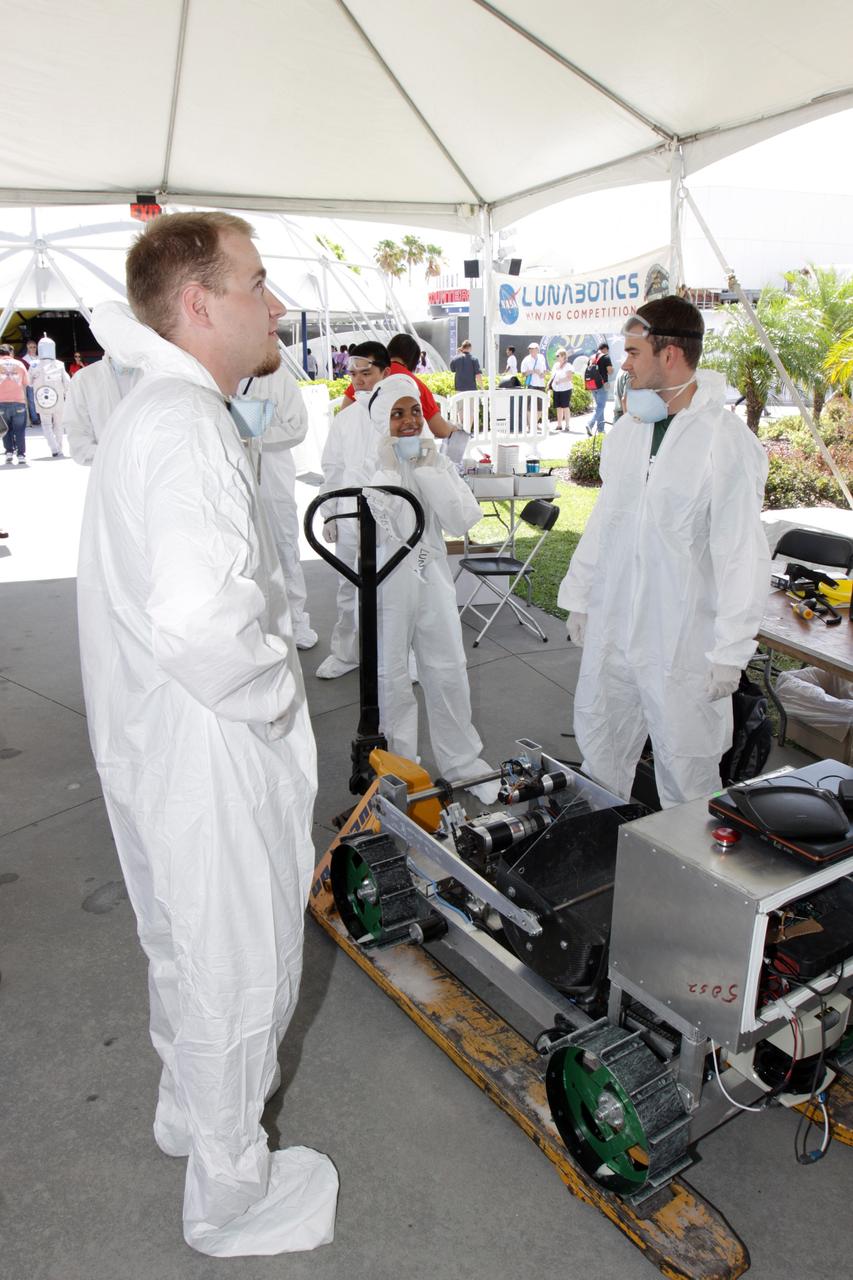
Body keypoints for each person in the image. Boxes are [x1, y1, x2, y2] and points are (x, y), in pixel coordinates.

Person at [77, 211, 338, 1256]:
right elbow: (204, 623)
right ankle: (230, 1195)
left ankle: (192, 1116)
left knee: (187, 946)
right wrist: (275, 692)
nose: (275, 302)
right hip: (209, 749)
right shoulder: (183, 424)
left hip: (167, 745)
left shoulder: (165, 413)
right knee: (237, 963)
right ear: (199, 303)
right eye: (258, 281)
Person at [558, 296, 769, 809]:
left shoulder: (725, 442)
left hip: (681, 642)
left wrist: (731, 650)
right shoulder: (628, 433)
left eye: (632, 351)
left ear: (670, 353)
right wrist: (582, 593)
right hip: (615, 626)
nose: (623, 364)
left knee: (687, 769)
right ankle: (599, 847)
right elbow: (606, 523)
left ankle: (689, 879)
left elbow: (741, 553)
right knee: (602, 745)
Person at [366, 373, 499, 804]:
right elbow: (384, 524)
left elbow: (463, 518)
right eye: (397, 414)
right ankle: (401, 763)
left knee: (447, 666)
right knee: (392, 674)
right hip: (386, 582)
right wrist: (388, 468)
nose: (408, 422)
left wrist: (429, 469)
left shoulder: (432, 459)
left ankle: (462, 761)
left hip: (431, 574)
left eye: (415, 412)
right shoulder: (368, 460)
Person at [241, 361, 318, 649]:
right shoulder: (217, 370)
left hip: (272, 475)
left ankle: (296, 622)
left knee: (284, 547)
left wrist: (251, 432)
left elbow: (297, 428)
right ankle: (253, 624)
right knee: (241, 552)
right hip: (233, 471)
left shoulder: (278, 377)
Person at [338, 332, 454, 437]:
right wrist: (453, 428)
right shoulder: (414, 384)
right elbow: (441, 430)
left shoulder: (364, 377)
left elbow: (343, 415)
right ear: (413, 360)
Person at [64, 354, 141, 465]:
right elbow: (78, 440)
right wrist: (117, 459)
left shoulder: (156, 375)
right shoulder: (85, 379)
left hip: (156, 476)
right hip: (108, 474)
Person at [29, 336, 71, 456]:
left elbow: (29, 382)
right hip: (58, 401)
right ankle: (59, 447)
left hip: (42, 400)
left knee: (46, 425)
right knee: (58, 425)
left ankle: (54, 448)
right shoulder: (59, 364)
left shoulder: (33, 365)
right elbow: (67, 383)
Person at [1, 344, 30, 465]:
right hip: (18, 401)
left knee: (4, 429)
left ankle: (8, 452)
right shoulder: (19, 364)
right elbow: (26, 383)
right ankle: (21, 455)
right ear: (10, 353)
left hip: (1, 402)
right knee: (19, 430)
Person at [583, 341, 613, 436]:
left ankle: (601, 429)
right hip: (602, 385)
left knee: (599, 407)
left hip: (592, 385)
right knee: (601, 406)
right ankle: (590, 424)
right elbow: (610, 371)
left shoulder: (591, 358)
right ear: (605, 349)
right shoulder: (605, 357)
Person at [547, 347, 574, 430]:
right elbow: (552, 376)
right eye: (556, 355)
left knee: (565, 407)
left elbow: (569, 378)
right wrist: (549, 384)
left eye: (558, 355)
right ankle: (559, 425)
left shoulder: (568, 365)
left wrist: (560, 381)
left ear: (563, 356)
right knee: (558, 407)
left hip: (566, 389)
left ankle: (567, 425)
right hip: (556, 389)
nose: (556, 357)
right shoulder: (555, 365)